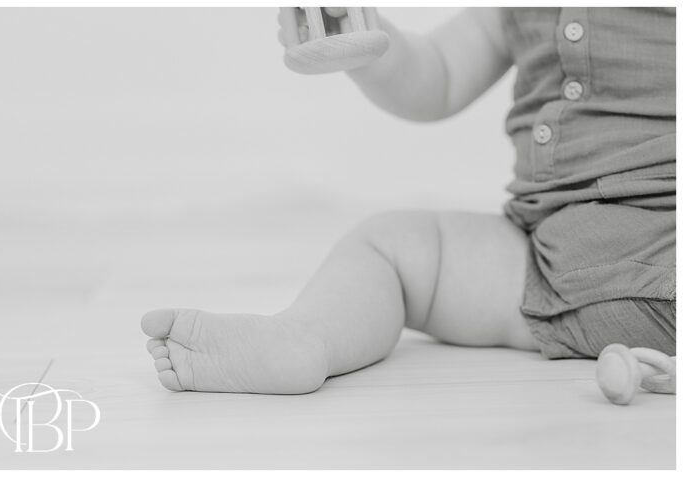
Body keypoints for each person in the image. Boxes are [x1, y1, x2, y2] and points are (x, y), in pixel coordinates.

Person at [141, 7, 675, 394]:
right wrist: (368, 42)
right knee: (395, 247)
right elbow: (438, 77)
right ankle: (304, 338)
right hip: (547, 265)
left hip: (665, 247)